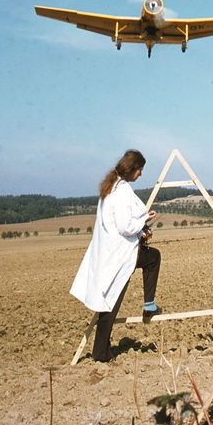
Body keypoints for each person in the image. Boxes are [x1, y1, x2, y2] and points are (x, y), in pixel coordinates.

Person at [70, 149, 162, 362]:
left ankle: (101, 351)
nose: (140, 175)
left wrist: (141, 228)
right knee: (153, 258)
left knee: (110, 302)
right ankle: (149, 304)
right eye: (139, 170)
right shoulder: (120, 191)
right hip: (120, 253)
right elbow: (124, 226)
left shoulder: (110, 188)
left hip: (112, 252)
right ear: (132, 170)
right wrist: (145, 219)